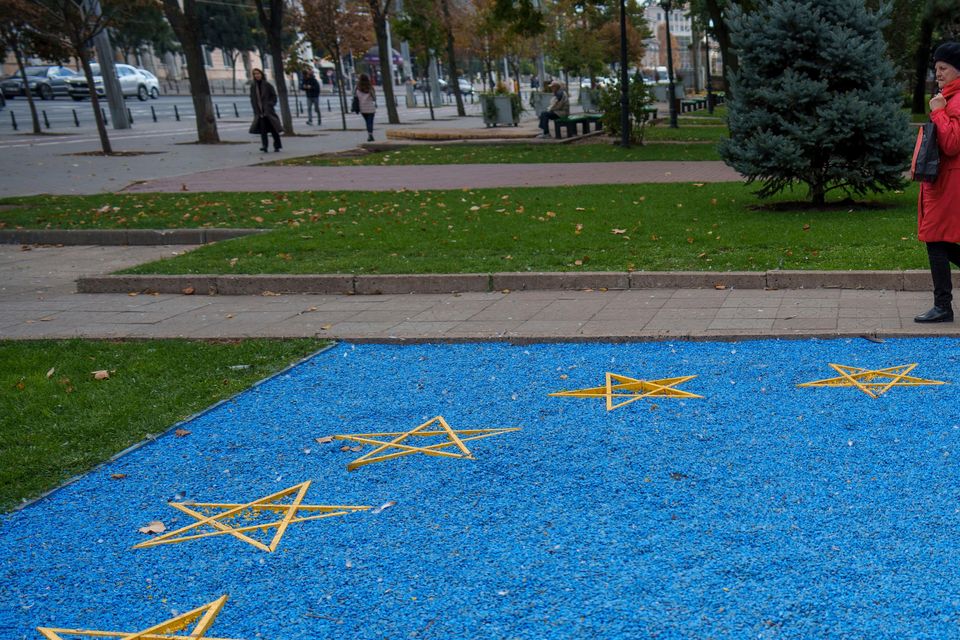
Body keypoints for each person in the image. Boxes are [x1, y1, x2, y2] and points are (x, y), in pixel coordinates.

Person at [916, 42, 960, 323]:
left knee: (936, 239)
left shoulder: (955, 101)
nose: (938, 73)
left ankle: (943, 306)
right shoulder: (949, 97)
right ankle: (942, 305)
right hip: (943, 181)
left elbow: (953, 143)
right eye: (935, 68)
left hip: (950, 182)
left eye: (943, 68)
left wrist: (938, 112)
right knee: (939, 240)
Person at [249, 68, 283, 153]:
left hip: (268, 111)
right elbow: (252, 98)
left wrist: (270, 104)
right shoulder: (253, 86)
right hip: (260, 113)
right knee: (263, 130)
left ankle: (277, 146)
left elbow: (274, 96)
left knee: (273, 129)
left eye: (258, 74)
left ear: (261, 74)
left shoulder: (267, 84)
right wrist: (255, 109)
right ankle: (264, 146)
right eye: (255, 74)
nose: (257, 75)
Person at [355, 73, 377, 142]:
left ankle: (369, 134)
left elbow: (355, 96)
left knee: (367, 121)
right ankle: (370, 134)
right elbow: (374, 98)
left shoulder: (357, 87)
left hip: (362, 108)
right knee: (370, 122)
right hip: (370, 107)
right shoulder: (370, 87)